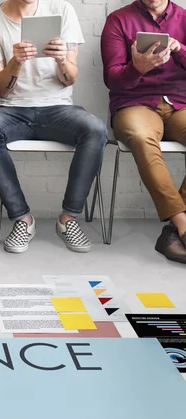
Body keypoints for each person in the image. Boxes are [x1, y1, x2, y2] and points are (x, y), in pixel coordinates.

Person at [0, 0, 107, 254]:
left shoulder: (62, 10)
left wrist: (60, 60)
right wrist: (15, 62)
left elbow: (70, 79)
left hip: (57, 107)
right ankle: (23, 220)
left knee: (95, 129)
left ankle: (68, 219)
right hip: (11, 109)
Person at [102, 0, 186, 264]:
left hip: (180, 103)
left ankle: (172, 233)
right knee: (140, 136)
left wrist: (179, 49)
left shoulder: (184, 18)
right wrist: (137, 67)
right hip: (134, 104)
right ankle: (181, 223)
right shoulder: (118, 20)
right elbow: (111, 79)